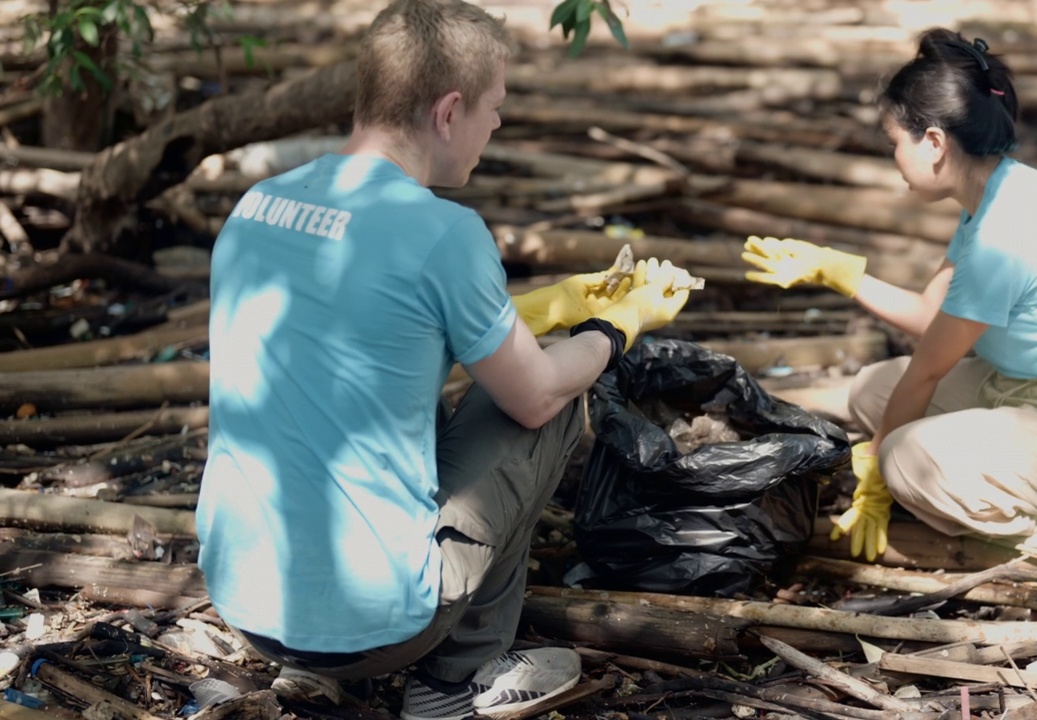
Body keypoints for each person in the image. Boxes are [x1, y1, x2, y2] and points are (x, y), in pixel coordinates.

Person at [194, 1, 693, 718]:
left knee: (404, 388)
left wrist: (548, 301)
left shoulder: (257, 205)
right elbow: (535, 395)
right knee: (550, 397)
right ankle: (455, 679)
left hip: (246, 604)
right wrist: (617, 326)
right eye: (495, 109)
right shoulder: (443, 232)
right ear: (450, 110)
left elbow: (386, 330)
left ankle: (329, 668)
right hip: (377, 627)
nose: (496, 128)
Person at [741, 28, 1037, 561]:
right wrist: (838, 272)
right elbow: (930, 316)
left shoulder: (1003, 232)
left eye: (895, 142)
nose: (894, 158)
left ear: (933, 142)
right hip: (1026, 388)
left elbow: (928, 371)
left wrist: (877, 483)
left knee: (904, 456)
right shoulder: (995, 189)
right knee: (871, 390)